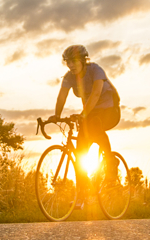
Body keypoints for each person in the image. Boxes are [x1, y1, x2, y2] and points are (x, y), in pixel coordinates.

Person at [46, 44, 120, 203]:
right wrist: (57, 115)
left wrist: (83, 115)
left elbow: (96, 94)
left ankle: (111, 163)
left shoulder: (96, 70)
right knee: (80, 151)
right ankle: (82, 195)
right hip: (91, 112)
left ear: (83, 60)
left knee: (95, 125)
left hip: (110, 110)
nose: (70, 65)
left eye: (73, 61)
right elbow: (62, 96)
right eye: (67, 62)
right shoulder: (69, 77)